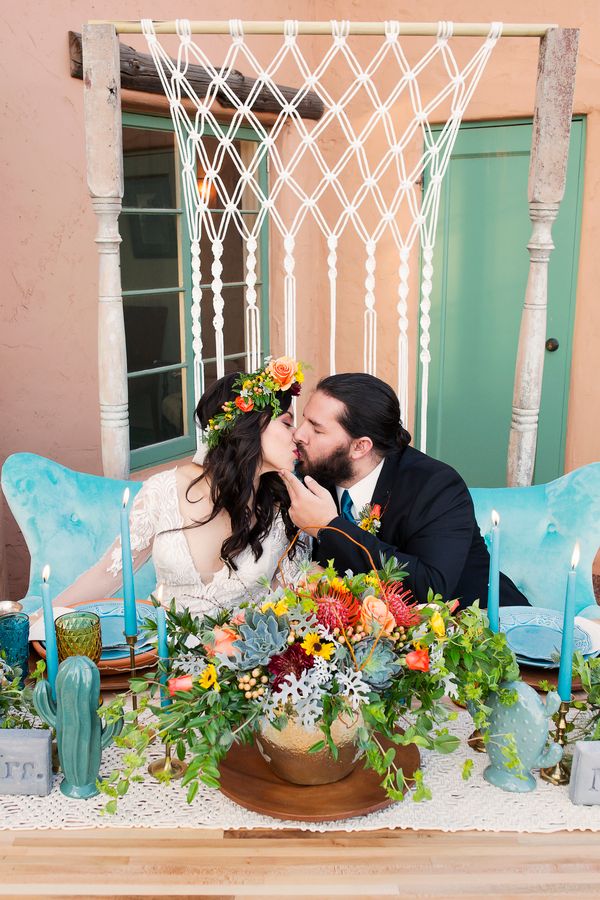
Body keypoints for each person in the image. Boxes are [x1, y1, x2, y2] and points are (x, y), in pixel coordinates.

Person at [54, 357, 309, 616]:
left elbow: (294, 596)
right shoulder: (163, 491)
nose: (297, 434)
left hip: (243, 653)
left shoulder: (287, 508)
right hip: (161, 650)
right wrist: (34, 622)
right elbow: (105, 576)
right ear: (247, 427)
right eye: (287, 422)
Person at [279, 372, 529, 611]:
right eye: (303, 420)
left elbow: (431, 588)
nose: (299, 434)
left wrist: (330, 527)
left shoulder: (437, 487)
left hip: (485, 628)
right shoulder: (315, 472)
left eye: (316, 428)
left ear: (360, 447)